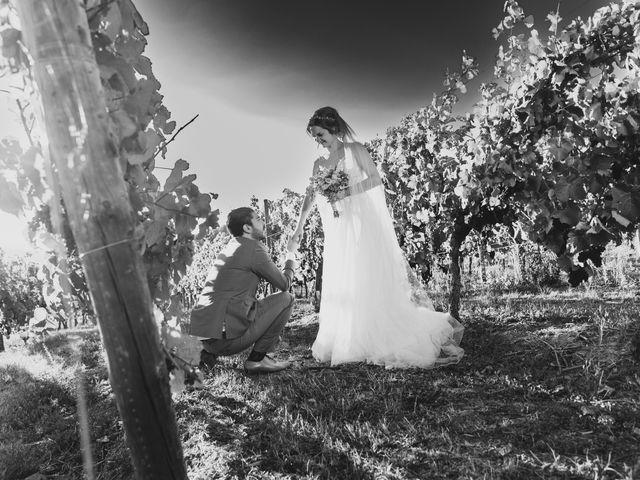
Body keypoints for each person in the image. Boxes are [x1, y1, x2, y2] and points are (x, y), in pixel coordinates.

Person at [292, 106, 464, 369]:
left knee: (365, 275)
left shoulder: (355, 150)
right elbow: (310, 196)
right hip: (338, 228)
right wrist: (298, 227)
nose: (318, 140)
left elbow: (374, 180)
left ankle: (374, 335)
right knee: (344, 276)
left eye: (320, 134)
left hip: (361, 224)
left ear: (333, 129)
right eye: (314, 137)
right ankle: (348, 338)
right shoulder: (319, 164)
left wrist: (346, 191)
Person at [189, 207, 299, 373]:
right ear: (247, 228)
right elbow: (284, 284)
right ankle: (258, 360)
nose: (263, 222)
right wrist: (291, 254)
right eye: (258, 219)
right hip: (225, 342)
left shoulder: (230, 248)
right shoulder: (253, 248)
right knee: (287, 298)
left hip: (206, 339)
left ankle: (208, 356)